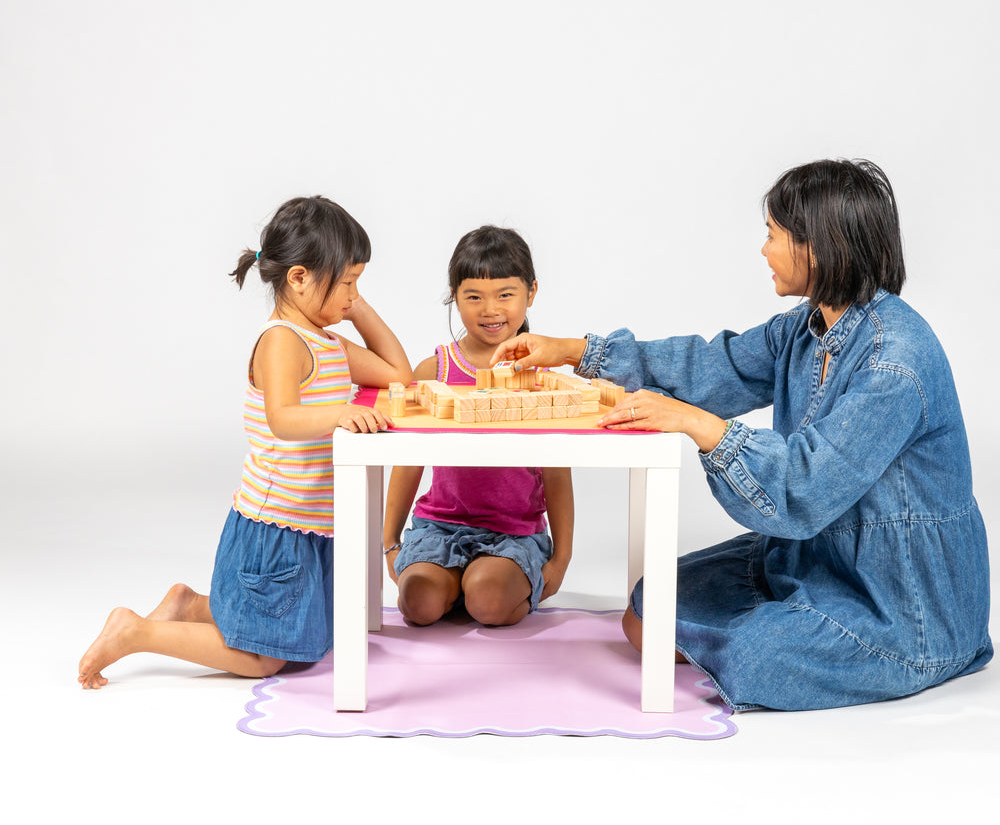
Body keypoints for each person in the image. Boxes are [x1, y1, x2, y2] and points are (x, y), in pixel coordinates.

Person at [491, 160, 992, 711]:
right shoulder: (804, 328)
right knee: (646, 609)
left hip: (903, 605)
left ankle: (851, 643)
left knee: (755, 657)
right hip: (814, 557)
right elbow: (710, 367)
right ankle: (787, 618)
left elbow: (806, 487)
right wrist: (574, 350)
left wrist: (692, 421)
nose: (763, 249)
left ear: (817, 248)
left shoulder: (895, 362)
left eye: (773, 234)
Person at [78, 196, 412, 689]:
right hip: (276, 527)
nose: (352, 295)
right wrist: (340, 412)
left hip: (311, 524)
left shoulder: (327, 342)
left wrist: (354, 304)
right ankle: (136, 632)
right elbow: (282, 418)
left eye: (357, 284)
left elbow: (397, 373)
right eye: (346, 283)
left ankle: (189, 604)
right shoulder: (282, 340)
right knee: (264, 659)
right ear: (298, 278)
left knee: (309, 638)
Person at [383, 225, 574, 627]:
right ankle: (453, 583)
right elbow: (407, 459)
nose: (490, 310)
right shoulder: (435, 370)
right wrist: (389, 541)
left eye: (505, 295)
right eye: (474, 297)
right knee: (418, 604)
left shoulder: (544, 374)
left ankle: (480, 586)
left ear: (531, 293)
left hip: (513, 532)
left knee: (488, 602)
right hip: (440, 525)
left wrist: (561, 560)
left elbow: (557, 471)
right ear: (455, 296)